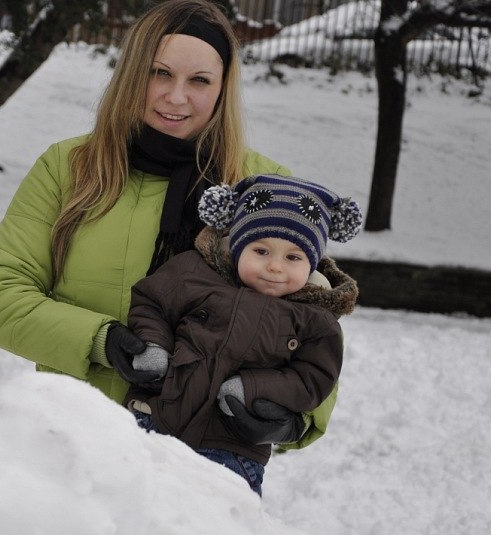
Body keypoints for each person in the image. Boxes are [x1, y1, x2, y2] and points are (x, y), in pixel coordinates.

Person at [0, 0, 337, 481]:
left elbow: (314, 316)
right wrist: (102, 341)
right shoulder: (68, 169)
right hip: (76, 444)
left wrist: (296, 419)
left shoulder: (264, 186)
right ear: (130, 74)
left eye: (199, 81)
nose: (175, 97)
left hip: (209, 462)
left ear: (224, 87)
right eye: (159, 73)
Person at [124, 173, 362, 495]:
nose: (275, 267)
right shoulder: (193, 273)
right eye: (261, 251)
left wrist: (251, 388)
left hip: (231, 449)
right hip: (152, 421)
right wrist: (154, 345)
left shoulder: (316, 320)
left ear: (312, 264)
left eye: (293, 257)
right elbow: (151, 303)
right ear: (237, 246)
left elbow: (313, 377)